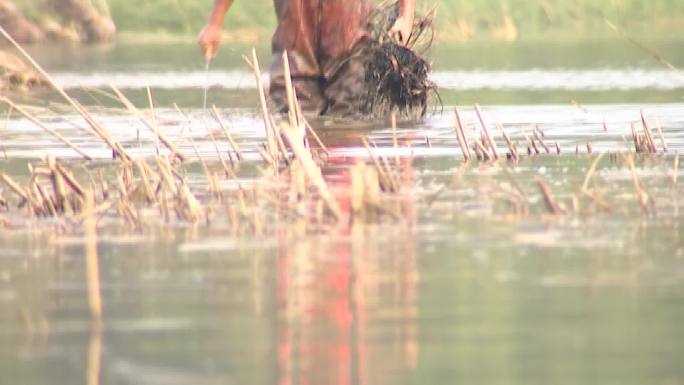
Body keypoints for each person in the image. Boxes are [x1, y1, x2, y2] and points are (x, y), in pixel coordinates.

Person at [198, 0, 416, 116]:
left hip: (351, 48)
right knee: (294, 126)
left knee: (350, 128)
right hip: (295, 52)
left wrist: (406, 17)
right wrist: (214, 23)